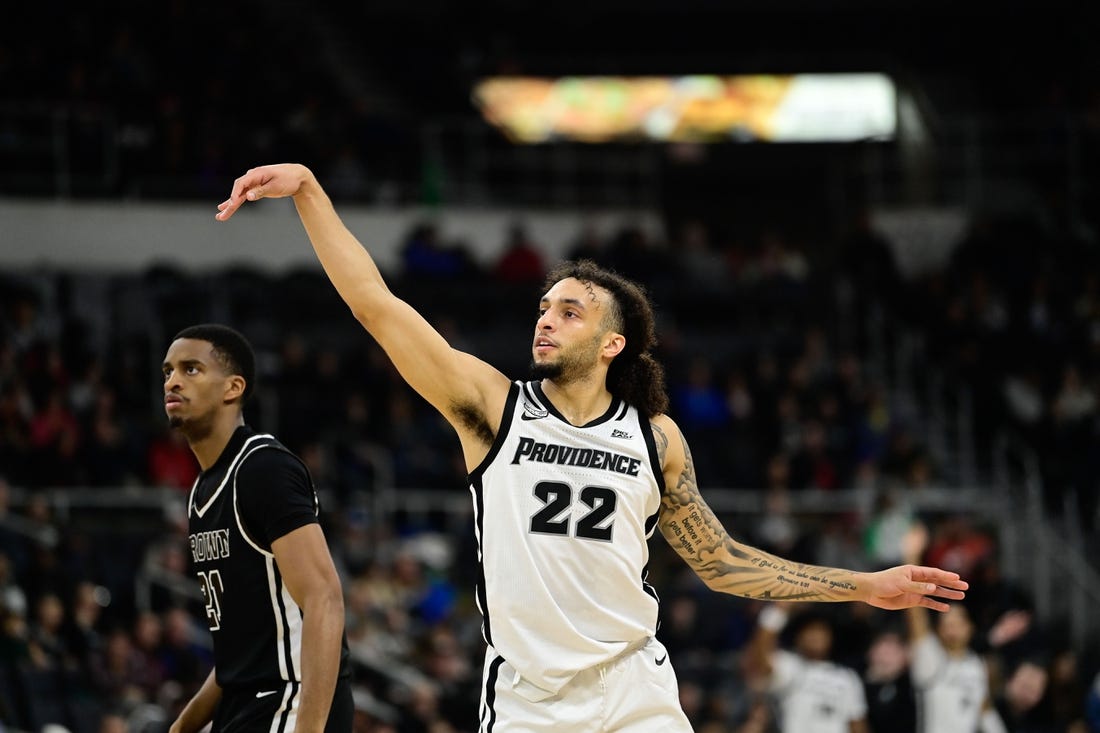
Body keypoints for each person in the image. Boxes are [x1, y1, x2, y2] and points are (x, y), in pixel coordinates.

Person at [214, 164, 969, 733]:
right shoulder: (492, 408)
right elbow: (376, 307)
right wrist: (310, 192)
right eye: (543, 308)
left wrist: (862, 586)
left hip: (634, 691)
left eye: (568, 311)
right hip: (528, 703)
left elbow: (723, 561)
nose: (545, 320)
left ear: (612, 342)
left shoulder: (655, 436)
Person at [161, 324, 353, 733]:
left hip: (290, 700)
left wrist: (310, 728)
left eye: (191, 369)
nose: (173, 381)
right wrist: (182, 725)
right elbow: (243, 649)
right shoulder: (201, 492)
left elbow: (325, 599)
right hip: (245, 705)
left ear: (233, 388)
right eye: (168, 372)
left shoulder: (263, 468)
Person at [902, 525, 1005, 733]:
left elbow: (984, 710)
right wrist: (910, 556)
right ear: (939, 631)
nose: (953, 629)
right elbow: (915, 615)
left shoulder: (976, 664)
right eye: (947, 625)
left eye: (958, 623)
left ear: (970, 628)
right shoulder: (930, 658)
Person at [747, 604, 869, 733]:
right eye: (810, 631)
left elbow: (857, 723)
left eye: (822, 631)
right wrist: (777, 611)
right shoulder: (790, 666)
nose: (816, 636)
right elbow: (762, 655)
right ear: (798, 637)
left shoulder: (847, 677)